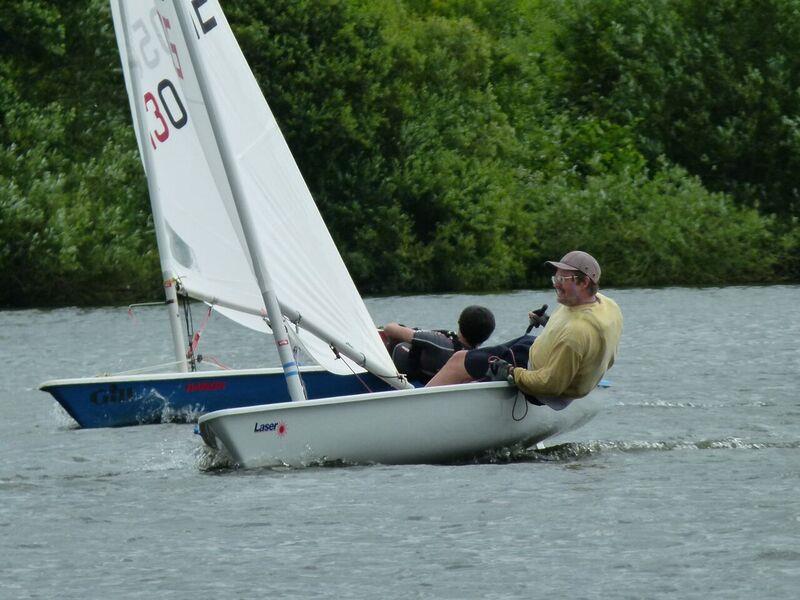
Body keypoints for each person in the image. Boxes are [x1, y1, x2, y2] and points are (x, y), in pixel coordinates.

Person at [427, 250, 623, 408]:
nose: (556, 285)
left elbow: (551, 384)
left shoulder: (576, 334)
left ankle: (416, 405)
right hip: (537, 350)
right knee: (485, 356)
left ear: (585, 282)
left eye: (563, 280)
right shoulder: (606, 305)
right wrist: (547, 321)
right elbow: (590, 343)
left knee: (459, 359)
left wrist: (512, 372)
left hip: (534, 375)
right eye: (555, 279)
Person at [383, 305, 495, 384]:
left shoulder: (439, 342)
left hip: (401, 377)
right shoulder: (476, 359)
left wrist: (398, 325)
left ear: (459, 323)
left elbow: (389, 329)